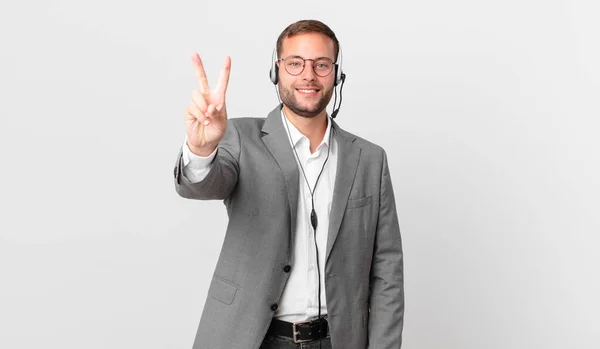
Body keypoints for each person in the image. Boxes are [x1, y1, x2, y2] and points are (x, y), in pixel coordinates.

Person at [173, 19, 404, 349]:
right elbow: (202, 185)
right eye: (295, 63)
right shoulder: (239, 137)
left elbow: (388, 272)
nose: (308, 75)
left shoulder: (370, 159)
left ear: (337, 75)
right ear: (276, 71)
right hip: (254, 339)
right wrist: (201, 148)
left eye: (321, 65)